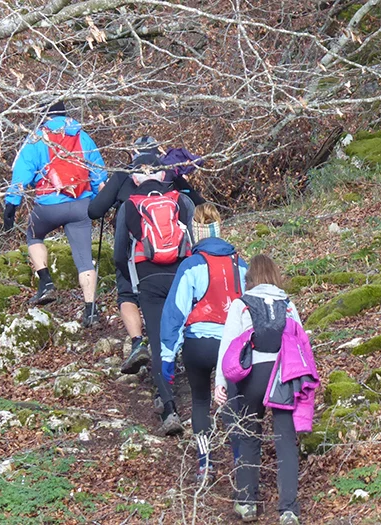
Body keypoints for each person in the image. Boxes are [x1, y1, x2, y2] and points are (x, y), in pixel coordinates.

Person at [89, 136, 205, 375]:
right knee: (174, 296)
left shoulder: (125, 174)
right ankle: (179, 346)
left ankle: (137, 343)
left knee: (127, 294)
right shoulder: (167, 172)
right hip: (175, 253)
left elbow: (94, 210)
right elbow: (199, 205)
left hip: (135, 254)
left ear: (133, 154)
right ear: (158, 152)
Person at [214, 255, 307, 524]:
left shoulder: (241, 304)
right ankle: (288, 509)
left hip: (252, 374)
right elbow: (301, 342)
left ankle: (247, 503)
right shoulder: (287, 304)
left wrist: (220, 381)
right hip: (283, 374)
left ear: (250, 278)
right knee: (285, 440)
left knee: (248, 435)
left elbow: (228, 345)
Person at [160, 203, 247, 482]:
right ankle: (240, 463)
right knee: (233, 402)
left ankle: (204, 463)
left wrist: (167, 356)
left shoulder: (192, 265)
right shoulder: (240, 265)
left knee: (200, 400)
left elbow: (175, 312)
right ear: (219, 228)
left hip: (198, 344)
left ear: (195, 231)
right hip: (231, 345)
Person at [3, 102, 107, 325]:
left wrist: (12, 203)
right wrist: (103, 200)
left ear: (44, 116)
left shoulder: (37, 138)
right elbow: (98, 173)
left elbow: (22, 171)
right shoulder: (81, 136)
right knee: (84, 260)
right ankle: (90, 311)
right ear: (65, 114)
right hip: (81, 206)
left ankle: (46, 282)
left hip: (49, 206)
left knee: (34, 234)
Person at [115, 154, 196, 435]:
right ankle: (200, 399)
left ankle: (169, 408)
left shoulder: (129, 205)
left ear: (135, 178)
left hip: (148, 278)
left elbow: (118, 254)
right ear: (163, 175)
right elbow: (194, 240)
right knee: (186, 331)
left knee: (159, 341)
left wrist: (130, 278)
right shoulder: (180, 201)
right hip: (181, 274)